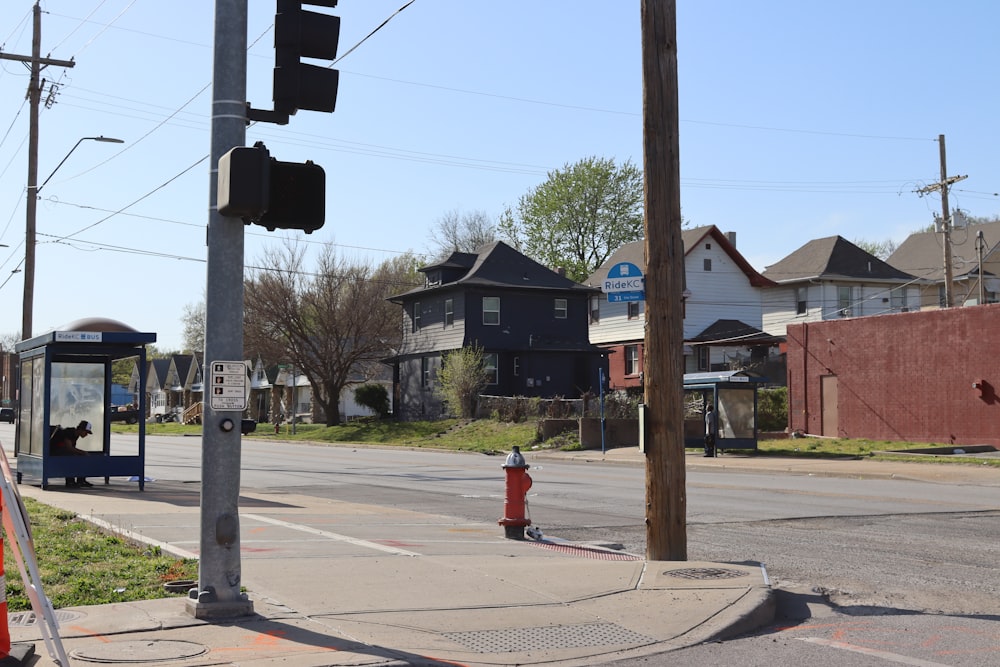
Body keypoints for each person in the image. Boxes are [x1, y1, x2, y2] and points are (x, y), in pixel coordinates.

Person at [49, 420, 94, 488]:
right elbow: (69, 448)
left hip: (61, 452)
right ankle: (70, 481)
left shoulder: (76, 435)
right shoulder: (69, 432)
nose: (86, 434)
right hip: (53, 452)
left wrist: (82, 453)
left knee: (79, 457)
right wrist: (83, 452)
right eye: (86, 432)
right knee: (71, 457)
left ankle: (81, 480)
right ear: (80, 429)